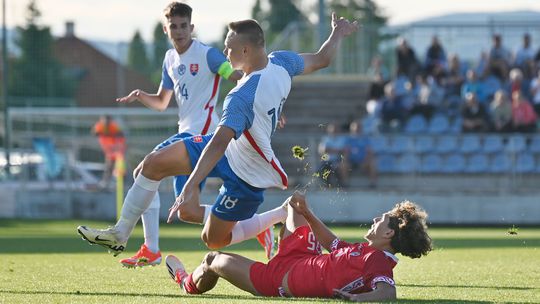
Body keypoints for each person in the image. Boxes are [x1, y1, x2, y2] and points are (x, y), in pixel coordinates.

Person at [77, 13, 358, 257]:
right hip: (230, 149)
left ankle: (278, 214)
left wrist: (191, 186)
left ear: (246, 50)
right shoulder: (281, 61)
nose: (225, 52)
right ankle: (120, 234)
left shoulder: (242, 96)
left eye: (229, 47)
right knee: (152, 164)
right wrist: (337, 34)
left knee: (213, 240)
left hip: (248, 171)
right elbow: (322, 58)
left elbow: (218, 144)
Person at [96, 2, 247, 268]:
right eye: (174, 26)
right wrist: (142, 96)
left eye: (183, 26)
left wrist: (258, 92)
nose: (179, 31)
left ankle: (137, 241)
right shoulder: (170, 59)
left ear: (192, 27)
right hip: (185, 132)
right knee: (187, 210)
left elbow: (233, 75)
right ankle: (254, 225)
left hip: (204, 135)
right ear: (166, 29)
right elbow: (163, 101)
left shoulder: (208, 55)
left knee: (146, 170)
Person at [165, 191, 432, 301]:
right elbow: (331, 243)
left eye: (381, 219)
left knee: (213, 260)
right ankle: (268, 231)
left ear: (388, 232)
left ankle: (185, 281)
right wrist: (308, 212)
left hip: (277, 281)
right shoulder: (367, 251)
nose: (375, 219)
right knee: (295, 202)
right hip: (301, 255)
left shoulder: (379, 261)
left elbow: (388, 292)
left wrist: (355, 298)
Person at [91, 115, 126, 189]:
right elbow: (94, 133)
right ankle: (106, 181)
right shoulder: (99, 126)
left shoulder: (113, 126)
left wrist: (113, 138)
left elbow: (120, 134)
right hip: (108, 148)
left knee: (118, 163)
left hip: (116, 148)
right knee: (109, 165)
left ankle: (117, 180)